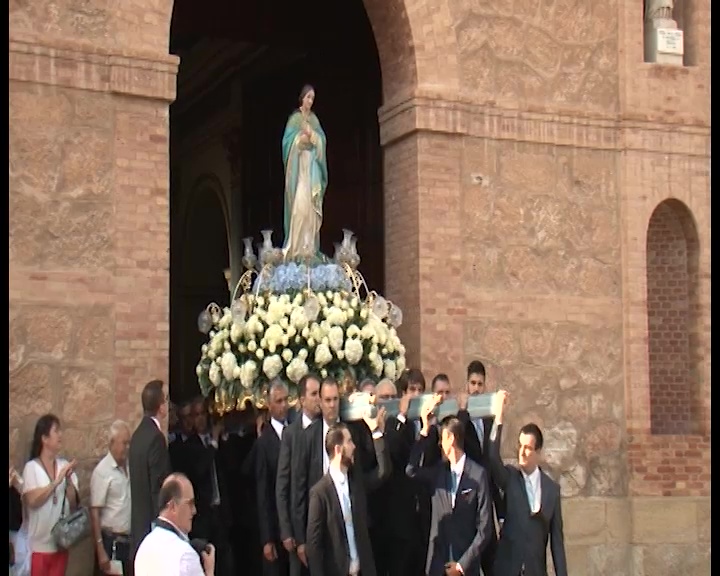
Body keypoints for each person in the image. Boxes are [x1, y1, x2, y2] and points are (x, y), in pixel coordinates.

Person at [406, 395, 493, 576]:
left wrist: (462, 565)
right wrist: (424, 430)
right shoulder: (439, 473)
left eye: (442, 439)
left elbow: (485, 528)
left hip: (466, 568)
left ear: (450, 438)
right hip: (438, 567)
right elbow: (411, 470)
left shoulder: (478, 475)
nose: (439, 444)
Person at [488, 391, 568, 576]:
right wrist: (498, 417)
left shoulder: (551, 490)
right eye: (520, 446)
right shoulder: (510, 478)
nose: (521, 452)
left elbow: (557, 542)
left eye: (528, 448)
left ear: (538, 452)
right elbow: (492, 457)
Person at [305, 405, 390, 576]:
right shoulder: (320, 493)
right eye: (349, 442)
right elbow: (314, 548)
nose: (354, 447)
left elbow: (383, 471)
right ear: (338, 449)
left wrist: (376, 432)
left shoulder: (356, 484)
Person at [21, 414, 79, 576]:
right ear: (45, 439)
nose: (60, 435)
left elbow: (73, 504)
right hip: (38, 549)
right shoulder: (31, 468)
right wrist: (55, 482)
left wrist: (68, 482)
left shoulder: (63, 465)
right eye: (56, 431)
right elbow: (32, 500)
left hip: (60, 545)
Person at [275, 374, 321, 576]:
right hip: (297, 526)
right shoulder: (291, 434)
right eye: (314, 394)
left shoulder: (325, 428)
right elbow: (283, 484)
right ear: (302, 400)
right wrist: (287, 530)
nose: (318, 398)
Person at [134, 473, 215, 576]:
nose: (194, 510)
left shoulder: (143, 548)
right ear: (172, 507)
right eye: (190, 503)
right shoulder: (185, 555)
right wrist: (209, 571)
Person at [281, 84, 329, 260]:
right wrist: (299, 141)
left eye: (312, 99)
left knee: (310, 209)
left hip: (312, 171)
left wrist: (313, 137)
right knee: (299, 209)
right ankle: (296, 249)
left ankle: (308, 249)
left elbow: (321, 140)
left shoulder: (314, 120)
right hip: (299, 170)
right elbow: (287, 144)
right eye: (308, 97)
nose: (310, 101)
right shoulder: (295, 119)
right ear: (302, 98)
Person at [129, 380, 172, 563]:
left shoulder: (137, 435)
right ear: (160, 407)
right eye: (166, 400)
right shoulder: (156, 438)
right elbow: (158, 487)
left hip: (138, 527)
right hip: (152, 530)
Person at [255, 380, 291, 576]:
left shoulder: (295, 432)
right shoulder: (264, 442)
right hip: (275, 525)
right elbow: (263, 492)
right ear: (269, 405)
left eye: (286, 400)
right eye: (278, 401)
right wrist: (266, 538)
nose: (283, 405)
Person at [90, 420, 132, 576]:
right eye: (124, 443)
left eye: (129, 443)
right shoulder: (102, 471)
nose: (127, 448)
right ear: (112, 443)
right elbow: (95, 512)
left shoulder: (130, 466)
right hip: (110, 542)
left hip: (127, 542)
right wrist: (100, 550)